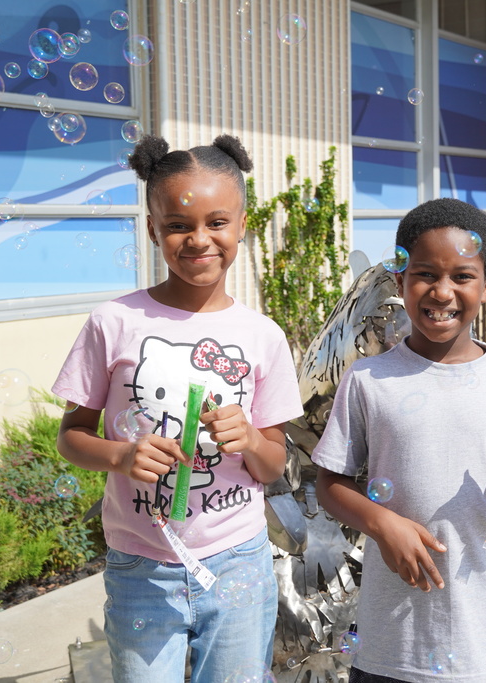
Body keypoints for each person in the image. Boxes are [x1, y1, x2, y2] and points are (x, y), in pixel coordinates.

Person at [52, 134, 303, 682]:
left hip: (239, 561)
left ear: (242, 224)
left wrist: (252, 440)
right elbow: (71, 435)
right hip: (141, 566)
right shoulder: (112, 323)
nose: (198, 240)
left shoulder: (263, 336)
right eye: (177, 226)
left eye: (217, 222)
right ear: (152, 230)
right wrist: (119, 455)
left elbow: (273, 463)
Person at [312, 198, 486, 683]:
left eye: (462, 276)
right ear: (400, 282)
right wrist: (381, 522)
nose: (442, 291)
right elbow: (329, 482)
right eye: (425, 275)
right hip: (393, 645)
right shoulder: (368, 379)